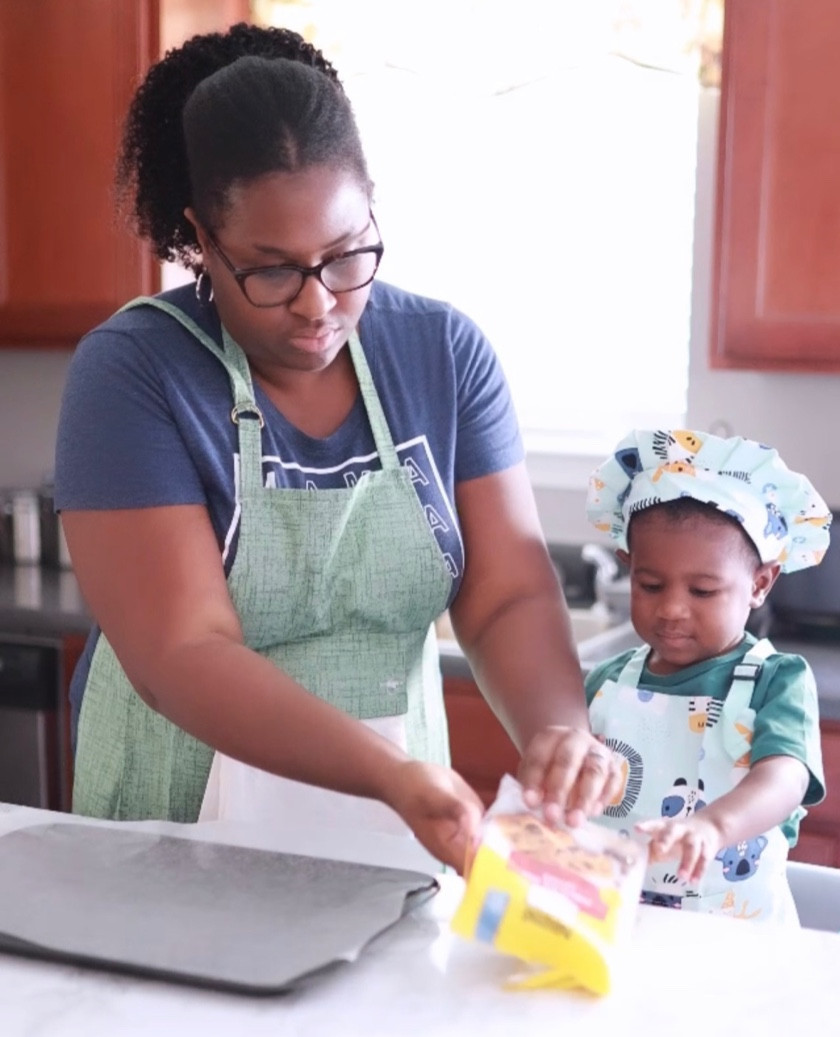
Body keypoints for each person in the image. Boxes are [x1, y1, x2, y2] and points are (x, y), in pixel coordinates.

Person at [54, 23, 624, 873]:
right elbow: (184, 652)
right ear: (201, 239)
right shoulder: (135, 372)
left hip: (399, 816)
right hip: (178, 820)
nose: (319, 303)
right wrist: (387, 774)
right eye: (273, 269)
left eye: (346, 252)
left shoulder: (441, 351)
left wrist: (558, 731)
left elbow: (504, 591)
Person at [583, 428, 831, 923]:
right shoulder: (607, 682)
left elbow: (784, 779)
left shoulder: (777, 681)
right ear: (627, 568)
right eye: (650, 585)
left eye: (702, 591)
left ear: (759, 583)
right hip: (620, 922)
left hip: (737, 933)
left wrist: (714, 827)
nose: (672, 609)